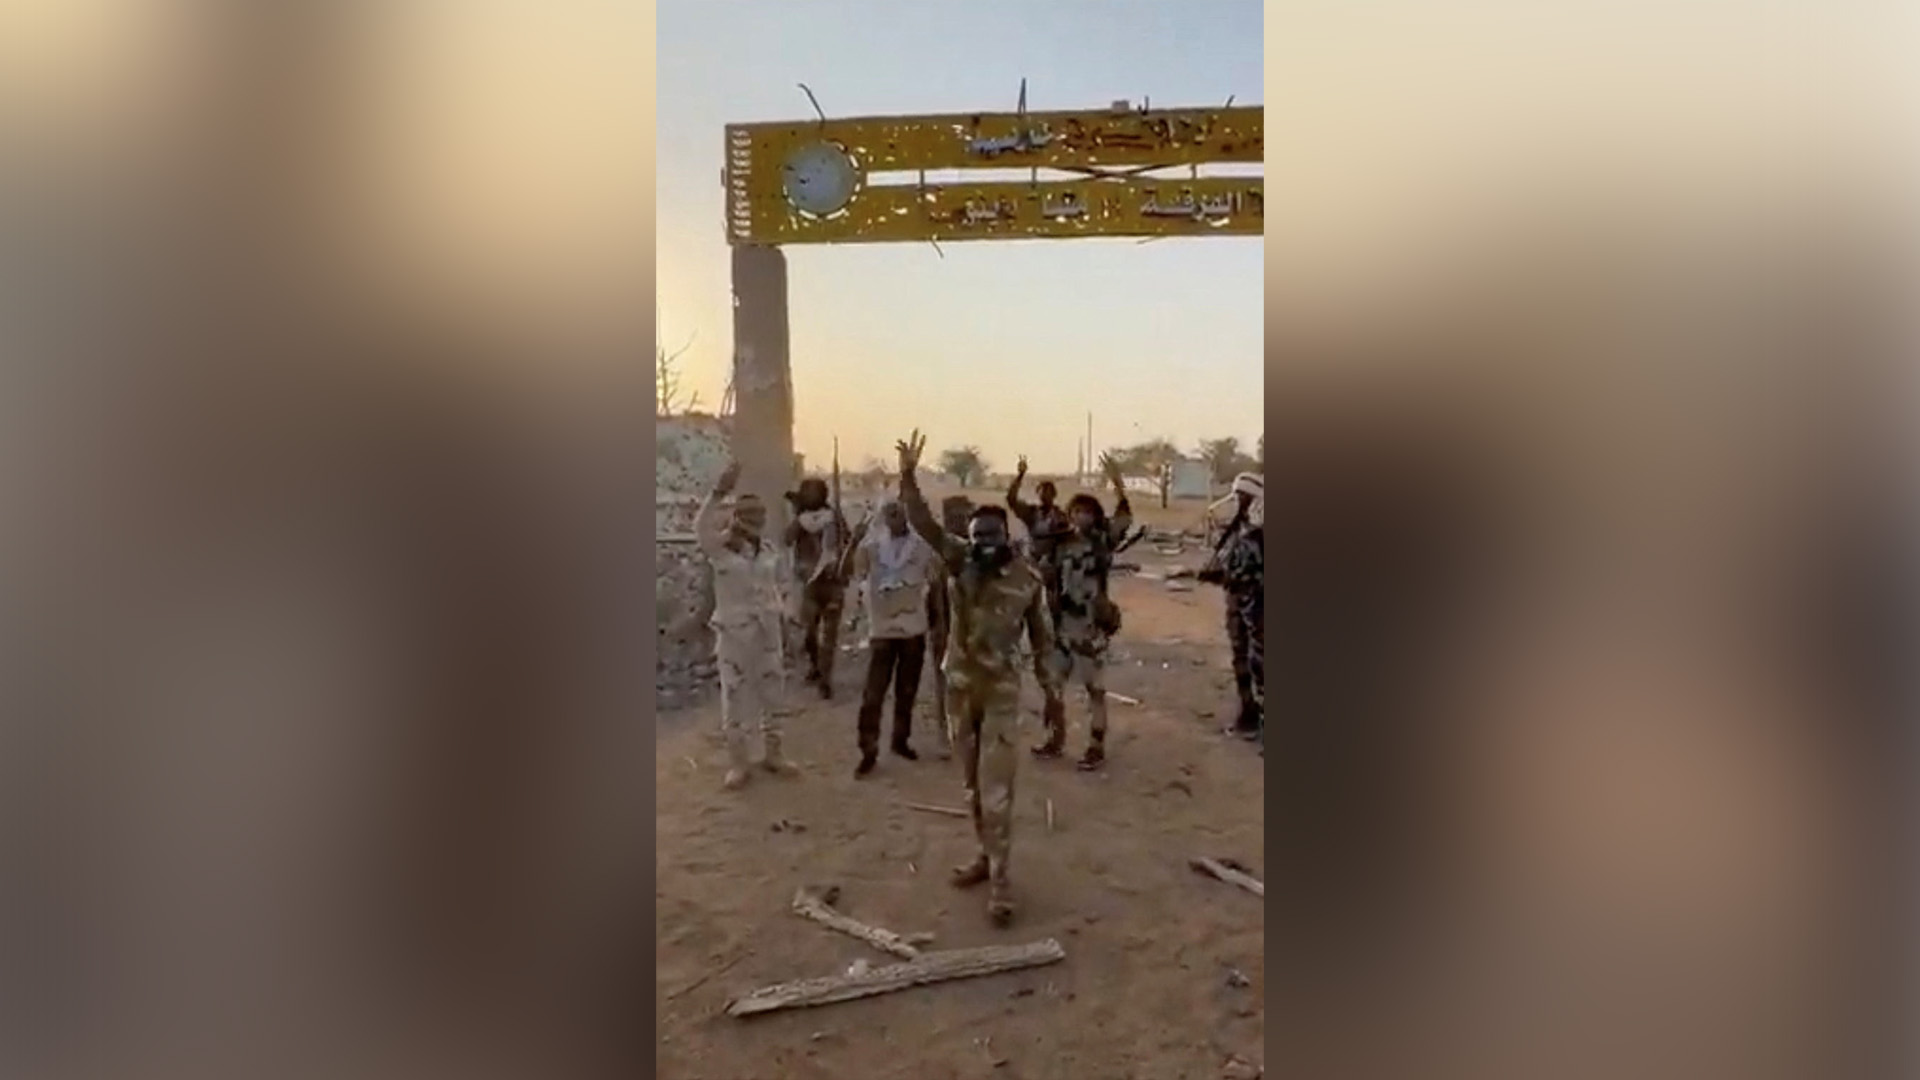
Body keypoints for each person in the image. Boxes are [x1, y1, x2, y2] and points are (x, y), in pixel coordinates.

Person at [898, 429, 1056, 927]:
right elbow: (922, 523)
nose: (983, 543)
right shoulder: (958, 559)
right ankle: (985, 858)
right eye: (976, 536)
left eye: (991, 535)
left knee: (997, 791)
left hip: (1001, 693)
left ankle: (1002, 883)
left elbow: (1044, 643)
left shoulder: (1028, 580)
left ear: (1006, 535)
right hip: (960, 690)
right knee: (970, 785)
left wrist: (1053, 695)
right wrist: (908, 477)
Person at [697, 461, 802, 789]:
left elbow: (782, 586)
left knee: (773, 696)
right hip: (734, 636)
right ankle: (738, 763)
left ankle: (774, 754)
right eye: (750, 515)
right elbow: (701, 526)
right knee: (735, 701)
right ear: (737, 517)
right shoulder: (720, 550)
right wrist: (718, 492)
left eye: (760, 514)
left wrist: (787, 616)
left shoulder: (769, 552)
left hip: (768, 634)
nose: (757, 520)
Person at [1029, 454, 1134, 761]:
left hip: (1089, 626)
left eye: (1087, 512)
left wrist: (1118, 485)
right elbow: (1039, 562)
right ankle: (1054, 738)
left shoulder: (1102, 542)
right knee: (1053, 686)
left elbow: (1124, 520)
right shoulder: (1059, 542)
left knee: (1094, 689)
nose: (1081, 517)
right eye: (1076, 511)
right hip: (1062, 625)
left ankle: (1096, 745)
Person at [838, 499, 940, 776]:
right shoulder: (871, 546)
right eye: (890, 511)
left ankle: (900, 740)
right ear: (883, 517)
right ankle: (868, 750)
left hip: (913, 629)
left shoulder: (922, 548)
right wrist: (853, 540)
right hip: (881, 630)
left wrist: (936, 623)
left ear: (906, 515)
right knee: (873, 694)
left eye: (899, 511)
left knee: (906, 691)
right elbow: (846, 573)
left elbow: (935, 585)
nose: (895, 515)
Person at [1200, 471, 1264, 748]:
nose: (1237, 500)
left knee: (1260, 662)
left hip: (1258, 604)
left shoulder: (1260, 533)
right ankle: (1248, 712)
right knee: (1240, 658)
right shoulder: (1237, 529)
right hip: (1237, 602)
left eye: (1243, 496)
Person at [783, 477, 849, 698]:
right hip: (810, 584)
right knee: (809, 632)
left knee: (829, 636)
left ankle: (825, 678)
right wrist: (797, 518)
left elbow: (847, 542)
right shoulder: (801, 521)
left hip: (832, 582)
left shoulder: (834, 518)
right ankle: (816, 666)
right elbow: (787, 539)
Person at [923, 493, 975, 760]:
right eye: (954, 517)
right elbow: (932, 594)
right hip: (944, 628)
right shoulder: (938, 554)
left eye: (963, 517)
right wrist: (936, 628)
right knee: (945, 684)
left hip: (974, 631)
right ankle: (945, 733)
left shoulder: (976, 552)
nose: (959, 522)